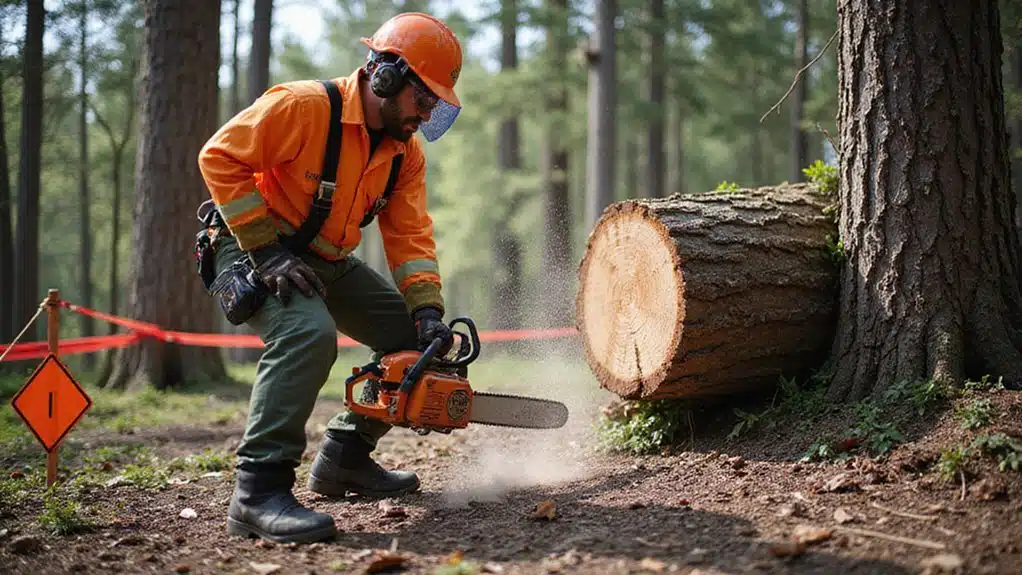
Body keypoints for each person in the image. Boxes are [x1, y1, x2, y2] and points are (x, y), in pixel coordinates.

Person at [195, 12, 462, 544]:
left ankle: (345, 457)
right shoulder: (303, 107)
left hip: (326, 258)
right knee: (307, 334)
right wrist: (266, 251)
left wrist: (428, 310)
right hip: (249, 246)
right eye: (423, 98)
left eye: (437, 103)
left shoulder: (404, 154)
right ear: (386, 76)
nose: (427, 113)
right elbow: (219, 157)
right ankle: (257, 492)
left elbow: (410, 237)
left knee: (415, 342)